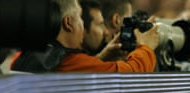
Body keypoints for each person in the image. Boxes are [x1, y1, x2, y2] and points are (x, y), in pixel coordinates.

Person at [11, 0, 159, 73]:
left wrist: (100, 58)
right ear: (68, 23)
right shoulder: (69, 60)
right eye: (80, 18)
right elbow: (129, 75)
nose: (83, 25)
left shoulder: (23, 56)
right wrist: (145, 47)